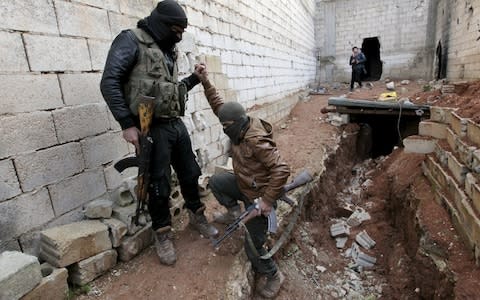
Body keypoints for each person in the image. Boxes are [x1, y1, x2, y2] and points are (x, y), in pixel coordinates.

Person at [100, 0, 218, 266]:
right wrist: (127, 124)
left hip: (175, 124)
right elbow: (109, 81)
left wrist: (194, 79)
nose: (179, 36)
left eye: (181, 32)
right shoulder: (131, 40)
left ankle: (197, 215)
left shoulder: (168, 50)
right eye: (176, 30)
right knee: (158, 183)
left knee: (191, 173)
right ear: (161, 24)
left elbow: (170, 91)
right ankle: (162, 233)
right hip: (149, 127)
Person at [196, 70, 290, 298]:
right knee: (217, 182)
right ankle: (233, 212)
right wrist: (205, 80)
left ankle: (273, 274)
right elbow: (219, 106)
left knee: (253, 245)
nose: (224, 130)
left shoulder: (255, 140)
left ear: (237, 124)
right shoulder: (237, 123)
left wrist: (267, 201)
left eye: (226, 126)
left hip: (259, 196)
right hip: (245, 184)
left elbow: (282, 169)